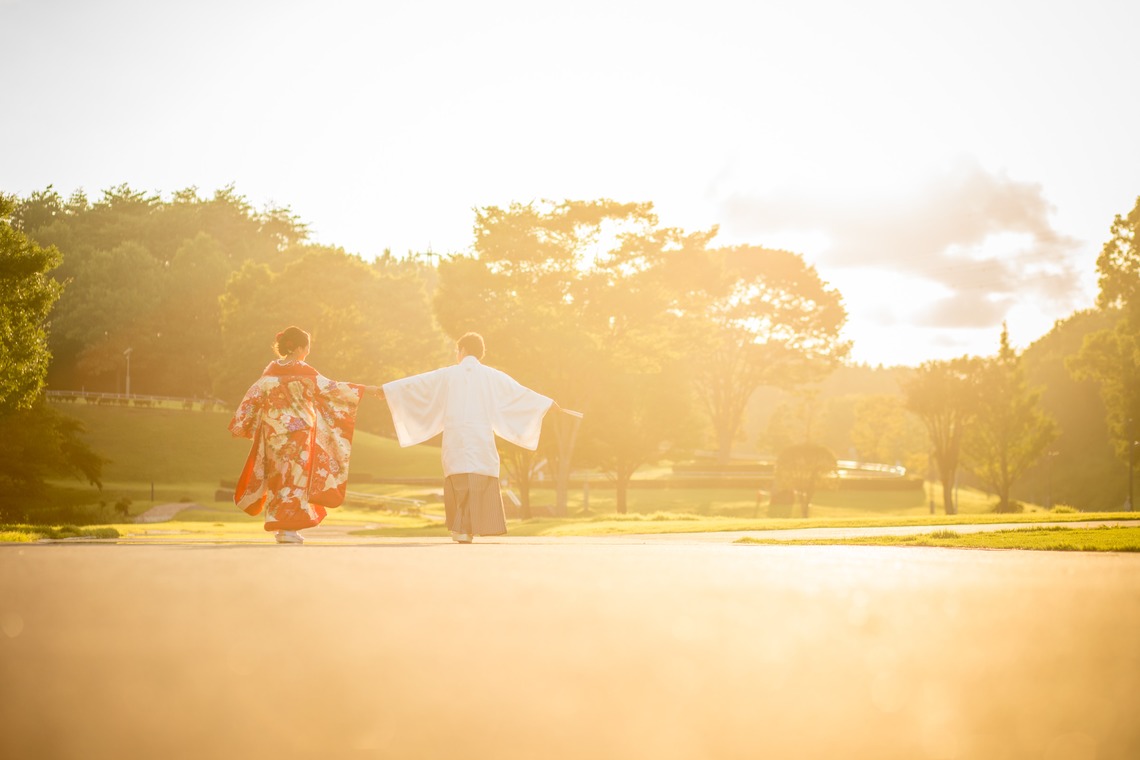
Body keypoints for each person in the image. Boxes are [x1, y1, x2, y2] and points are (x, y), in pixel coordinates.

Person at [383, 332, 560, 543]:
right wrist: (545, 404)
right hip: (480, 439)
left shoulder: (448, 374)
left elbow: (418, 385)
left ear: (463, 350)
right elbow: (518, 394)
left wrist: (386, 391)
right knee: (476, 483)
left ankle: (463, 528)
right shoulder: (492, 376)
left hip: (456, 439)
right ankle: (465, 528)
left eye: (457, 351)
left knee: (460, 483)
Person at [229, 326, 382, 544]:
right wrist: (369, 389)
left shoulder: (270, 372)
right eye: (307, 347)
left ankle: (281, 526)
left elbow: (253, 395)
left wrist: (242, 423)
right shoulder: (303, 371)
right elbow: (333, 388)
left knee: (279, 480)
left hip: (274, 435)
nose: (308, 351)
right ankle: (288, 529)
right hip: (298, 434)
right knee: (295, 480)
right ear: (299, 348)